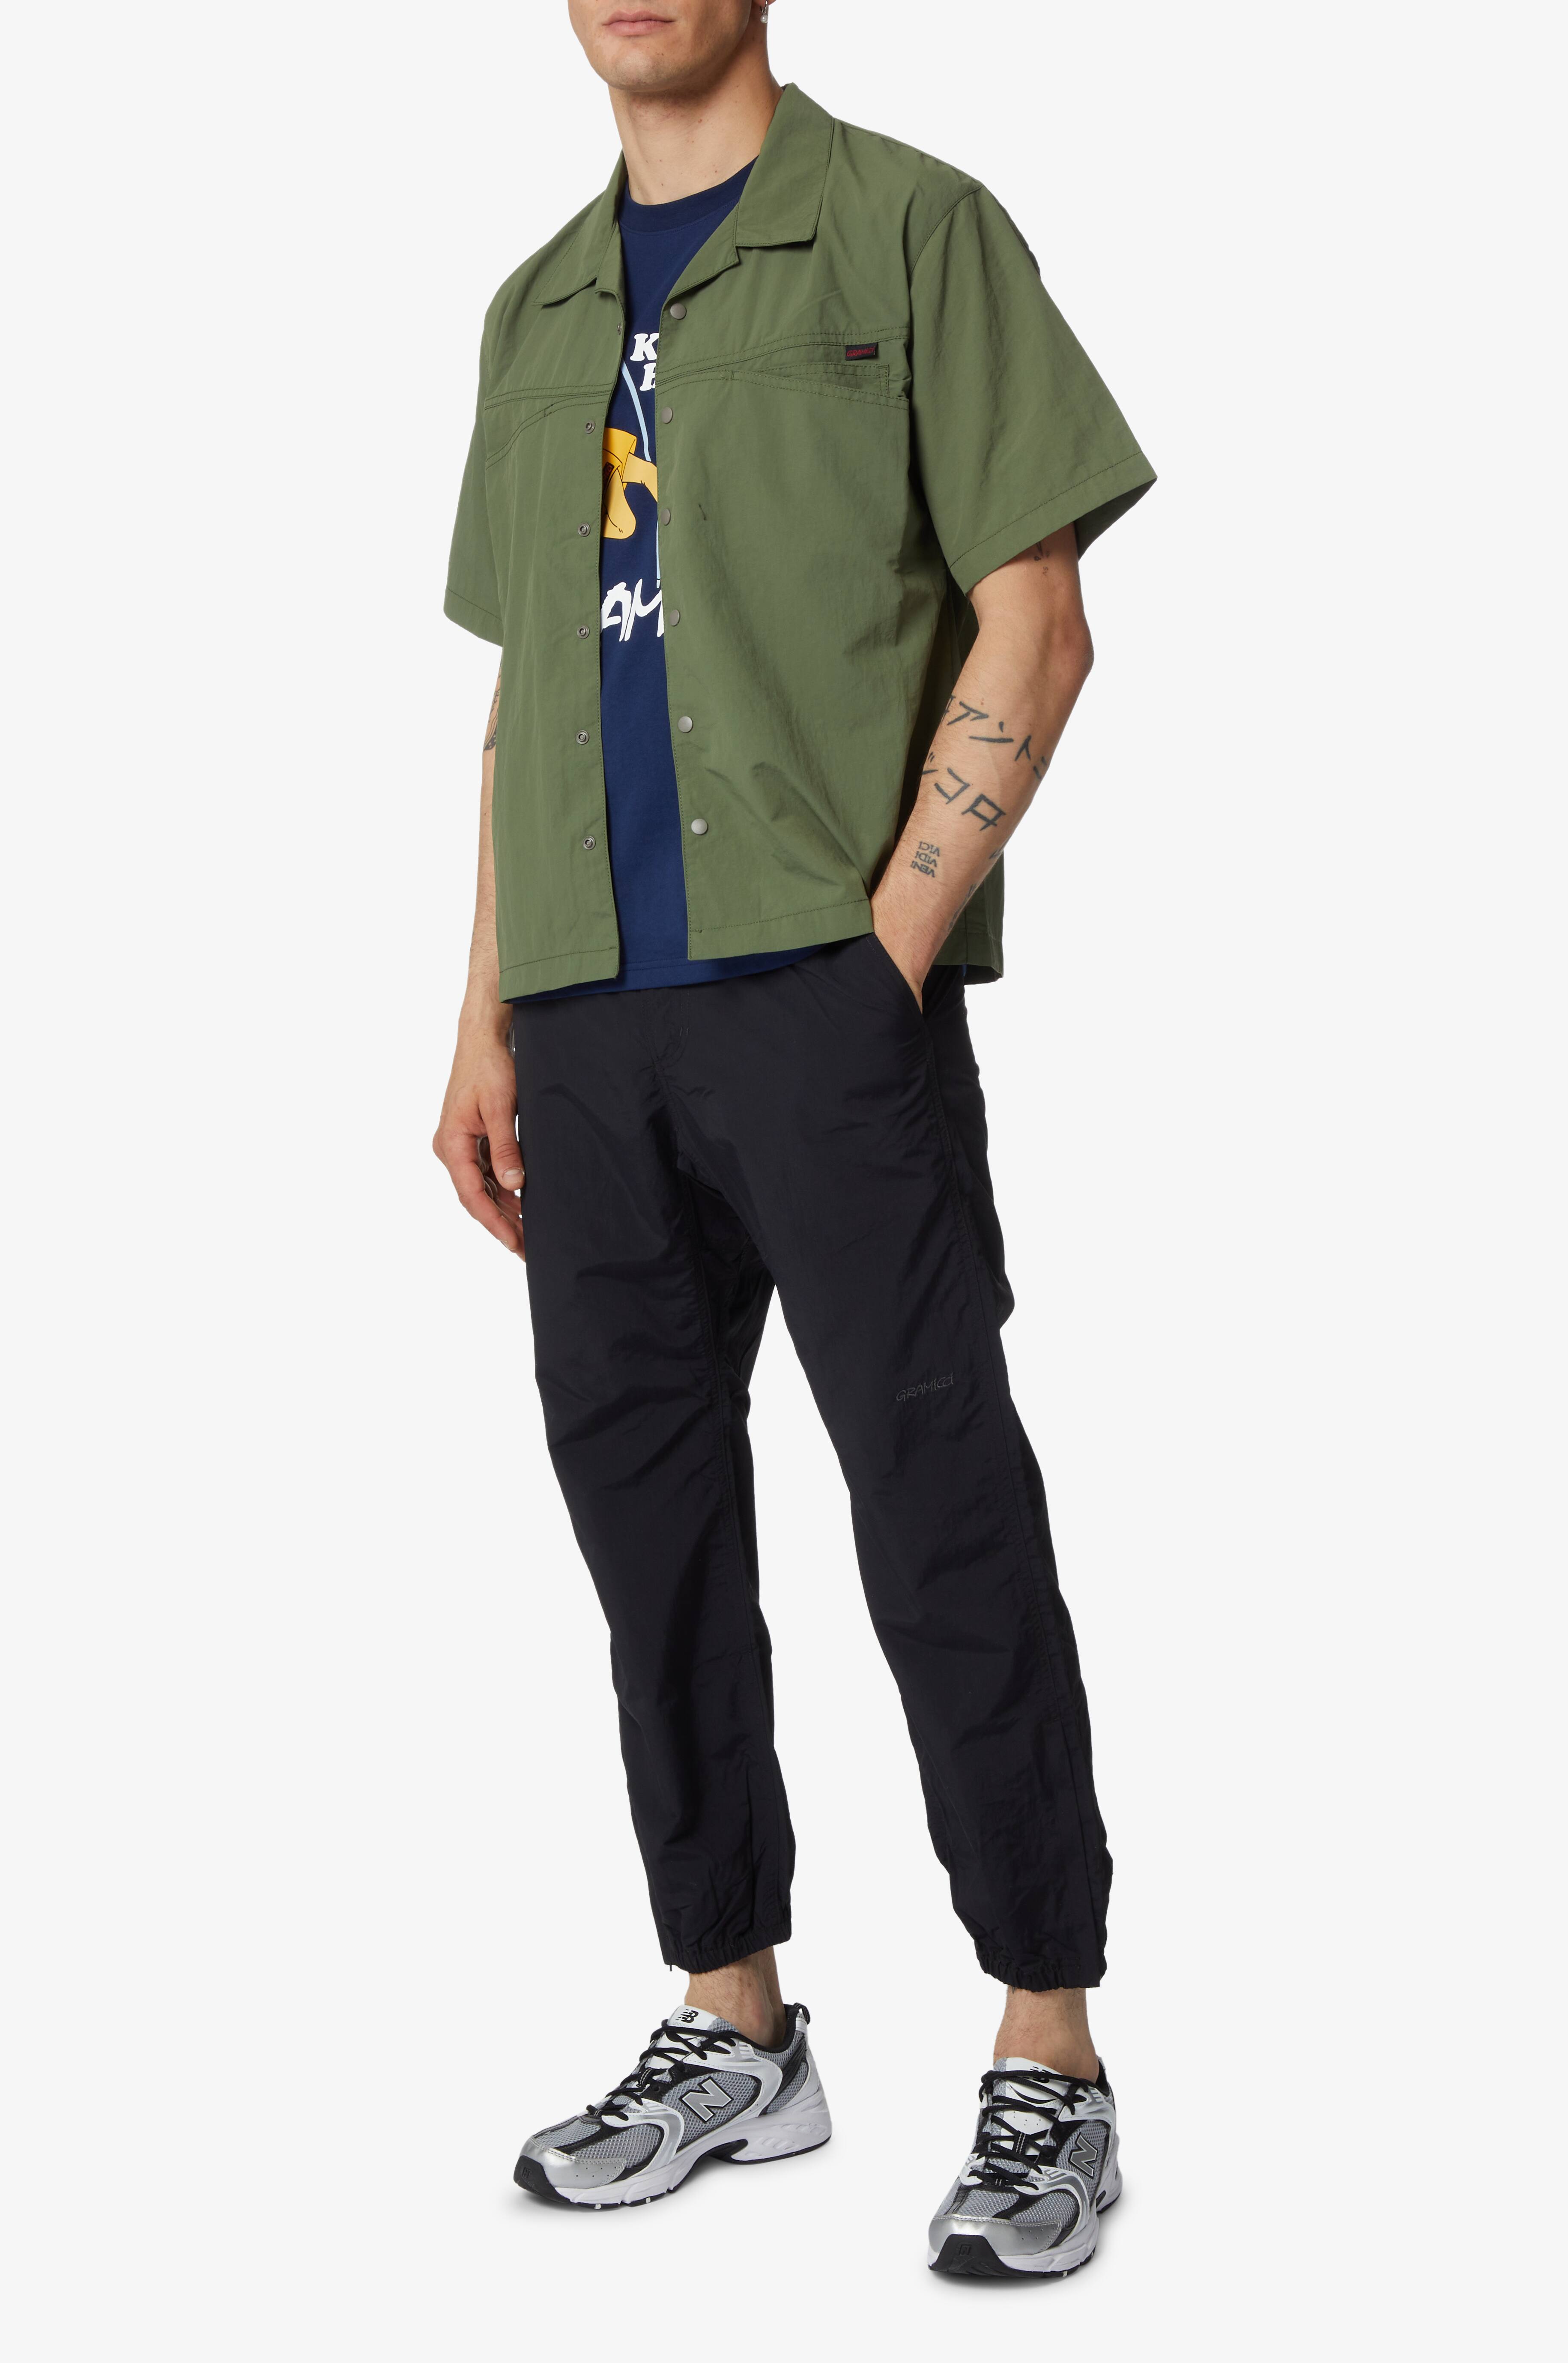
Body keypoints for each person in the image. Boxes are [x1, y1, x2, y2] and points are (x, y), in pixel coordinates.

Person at [433, 0, 1152, 2279]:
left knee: (940, 1515)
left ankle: (1049, 2051)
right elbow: (527, 684)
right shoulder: (538, 307)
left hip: (819, 1000)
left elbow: (1037, 618)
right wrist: (484, 1016)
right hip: (587, 1023)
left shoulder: (912, 233)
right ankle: (732, 2022)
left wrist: (885, 952)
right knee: (647, 1541)